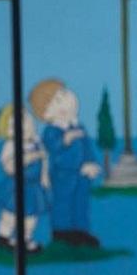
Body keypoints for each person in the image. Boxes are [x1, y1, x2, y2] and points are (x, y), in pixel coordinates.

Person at [29, 79, 101, 247]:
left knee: (80, 202)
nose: (67, 98)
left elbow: (86, 148)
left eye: (64, 94)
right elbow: (52, 148)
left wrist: (90, 163)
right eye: (58, 99)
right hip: (62, 175)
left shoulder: (78, 126)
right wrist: (64, 140)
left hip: (81, 175)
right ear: (46, 113)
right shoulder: (52, 130)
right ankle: (62, 232)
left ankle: (81, 231)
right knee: (62, 203)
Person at [0, 106, 51, 253]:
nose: (20, 128)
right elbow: (9, 166)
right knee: (10, 214)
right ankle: (3, 238)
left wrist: (44, 177)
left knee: (31, 216)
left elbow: (44, 160)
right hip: (16, 186)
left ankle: (25, 239)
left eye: (25, 123)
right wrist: (30, 157)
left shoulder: (37, 142)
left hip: (33, 186)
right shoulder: (10, 145)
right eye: (13, 126)